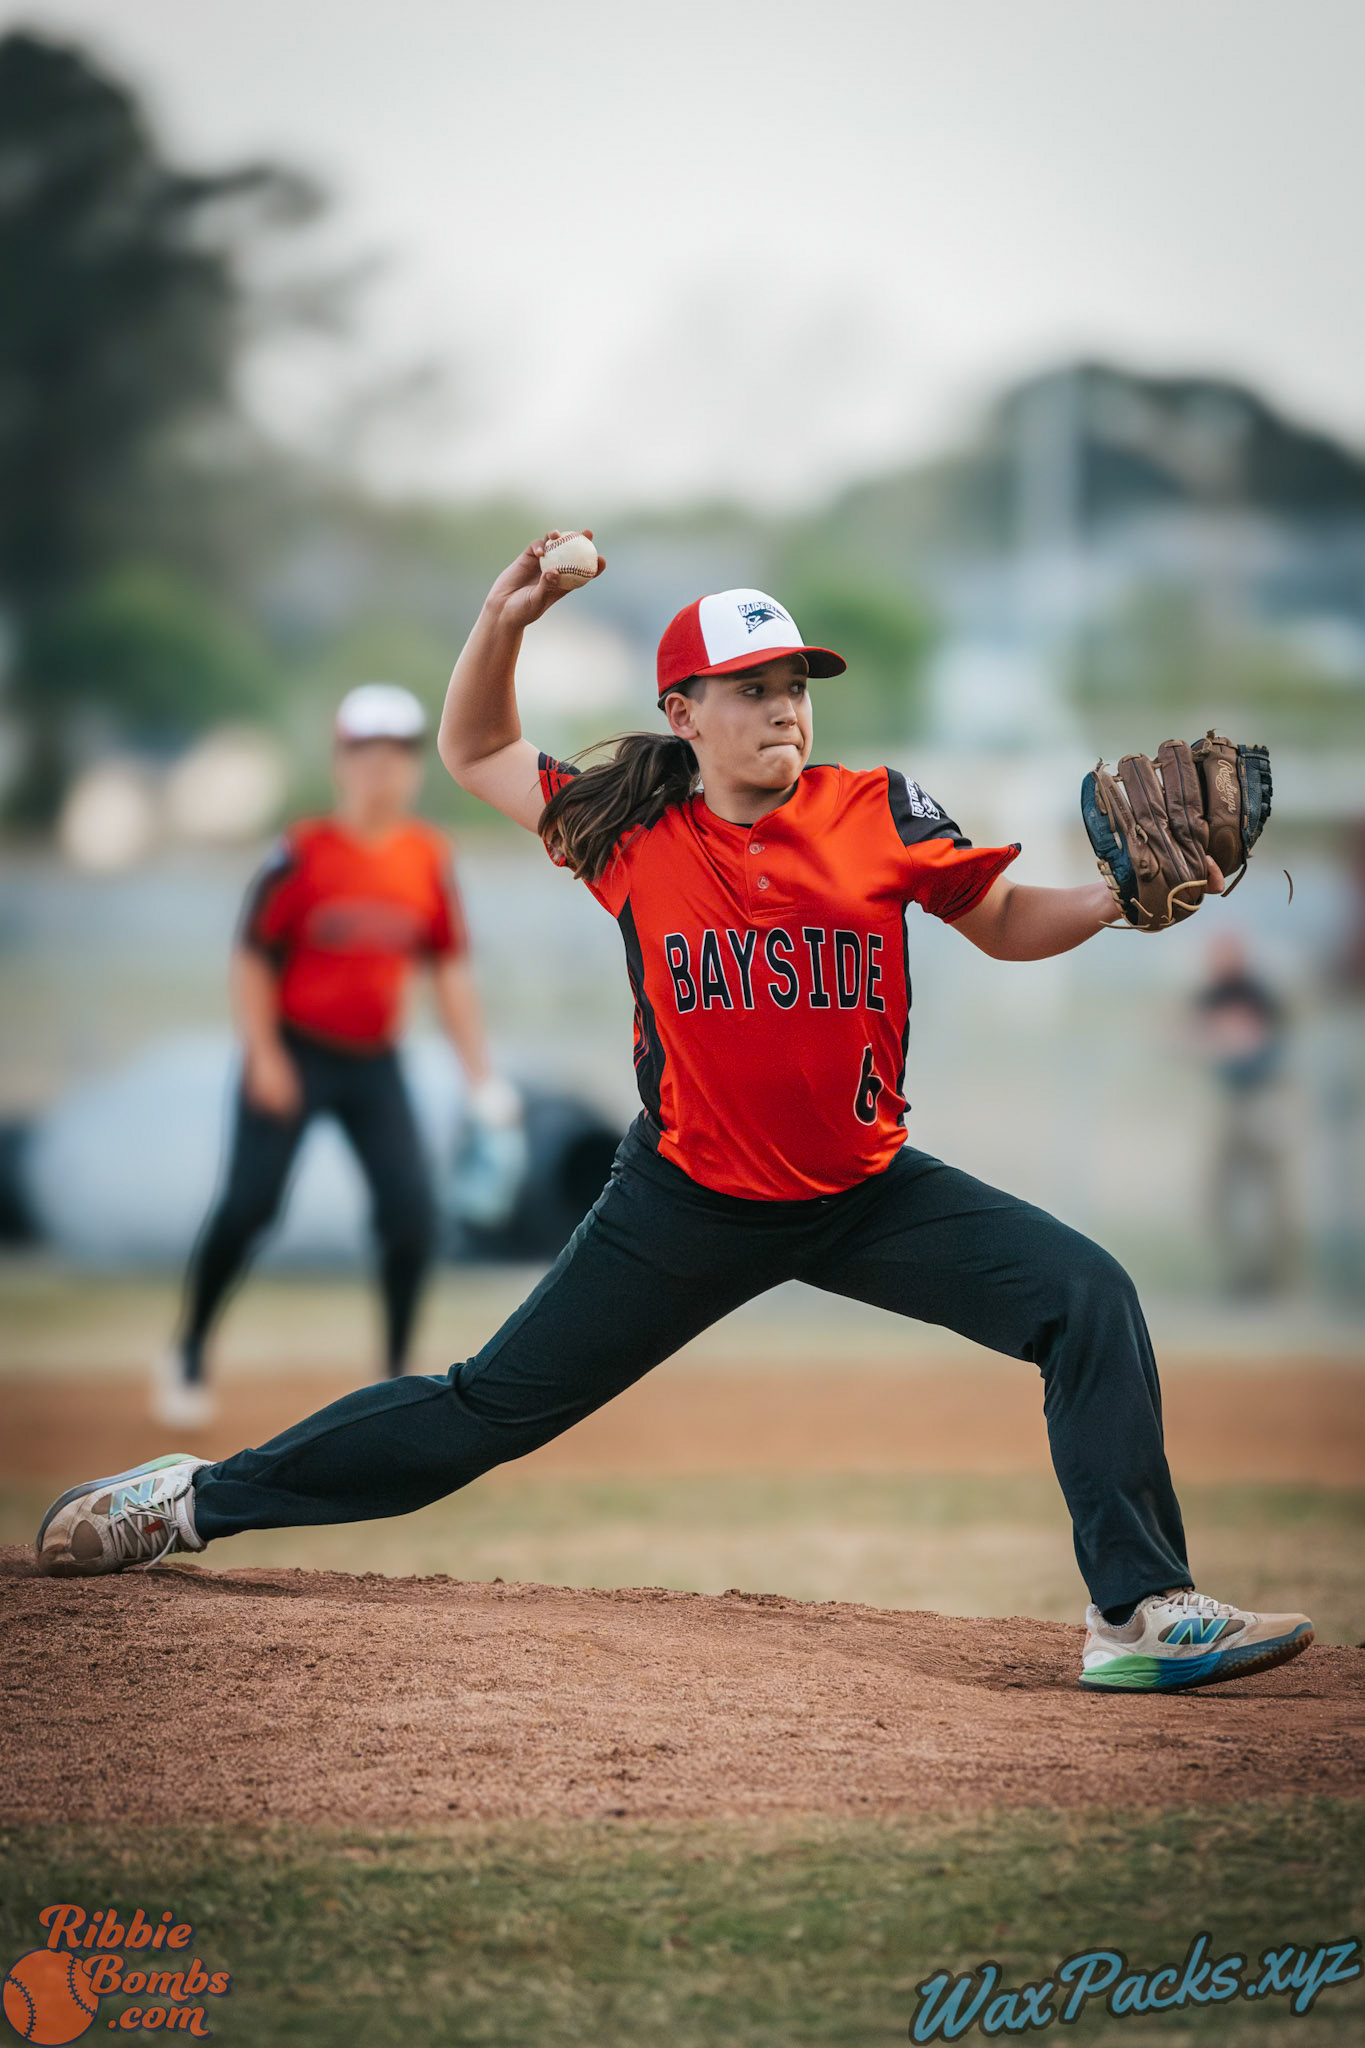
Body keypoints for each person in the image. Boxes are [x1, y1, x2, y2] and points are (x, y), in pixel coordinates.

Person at [38, 539, 1314, 1694]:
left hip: (867, 1192)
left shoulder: (879, 810)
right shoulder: (631, 828)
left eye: (796, 684)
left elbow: (1002, 922)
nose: (783, 709)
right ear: (683, 712)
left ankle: (1139, 1609)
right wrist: (507, 613)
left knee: (1083, 1292)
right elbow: (476, 750)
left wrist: (1109, 900)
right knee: (485, 1409)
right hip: (686, 1200)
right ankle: (190, 1501)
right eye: (752, 687)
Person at [153, 681, 520, 1427]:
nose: (381, 766)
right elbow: (253, 956)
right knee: (251, 1205)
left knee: (412, 1214)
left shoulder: (426, 856)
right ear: (340, 760)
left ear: (415, 764)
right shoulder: (302, 852)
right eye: (365, 750)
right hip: (293, 1051)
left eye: (397, 751)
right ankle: (188, 1350)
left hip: (374, 1062)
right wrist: (262, 1054)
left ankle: (390, 1379)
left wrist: (481, 1077)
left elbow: (446, 968)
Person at [1193, 930, 1293, 1297]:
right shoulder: (1213, 993)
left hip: (1265, 1099)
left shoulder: (1256, 992)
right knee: (1219, 1195)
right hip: (1230, 1101)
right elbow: (1189, 1034)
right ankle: (1241, 1277)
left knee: (1272, 1195)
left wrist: (1221, 1038)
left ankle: (1276, 1281)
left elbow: (1254, 1041)